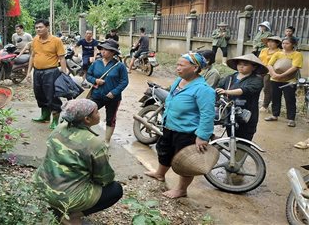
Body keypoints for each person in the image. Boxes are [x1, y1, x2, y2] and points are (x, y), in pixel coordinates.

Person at [33, 99, 123, 225]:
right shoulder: (95, 143)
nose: (99, 114)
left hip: (41, 186)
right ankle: (72, 216)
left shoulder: (58, 129)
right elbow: (104, 178)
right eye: (97, 112)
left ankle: (56, 208)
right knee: (115, 190)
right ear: (87, 119)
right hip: (64, 196)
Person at [145, 52, 215, 199]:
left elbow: (207, 115)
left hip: (187, 132)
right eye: (177, 64)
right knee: (164, 151)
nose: (177, 68)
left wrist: (202, 136)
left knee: (185, 162)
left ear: (195, 68)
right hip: (169, 126)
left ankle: (181, 190)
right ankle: (160, 174)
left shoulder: (204, 90)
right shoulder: (179, 81)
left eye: (181, 65)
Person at [25, 19, 67, 129]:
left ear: (47, 27)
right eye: (36, 27)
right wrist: (29, 72)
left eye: (40, 27)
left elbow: (62, 58)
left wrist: (64, 73)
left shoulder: (56, 41)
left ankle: (55, 120)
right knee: (39, 94)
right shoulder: (35, 40)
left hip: (51, 72)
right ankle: (45, 116)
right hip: (37, 72)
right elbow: (32, 56)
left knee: (52, 96)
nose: (38, 29)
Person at [86, 39, 128, 146]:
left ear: (113, 52)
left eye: (106, 50)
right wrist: (95, 80)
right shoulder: (96, 63)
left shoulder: (119, 66)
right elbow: (88, 75)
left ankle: (107, 141)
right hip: (96, 95)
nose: (103, 52)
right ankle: (86, 135)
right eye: (102, 49)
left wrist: (114, 92)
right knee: (88, 113)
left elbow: (124, 81)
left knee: (111, 118)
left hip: (113, 98)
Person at [215, 54, 267, 140]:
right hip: (230, 113)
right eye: (239, 64)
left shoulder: (257, 80)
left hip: (247, 115)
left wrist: (226, 91)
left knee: (244, 140)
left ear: (254, 67)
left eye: (245, 65)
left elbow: (245, 90)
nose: (241, 66)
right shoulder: (230, 77)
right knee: (231, 138)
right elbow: (218, 87)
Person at [264, 36, 303, 127]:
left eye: (287, 43)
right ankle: (274, 115)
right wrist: (273, 74)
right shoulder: (278, 54)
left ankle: (291, 119)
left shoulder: (297, 54)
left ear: (293, 44)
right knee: (275, 97)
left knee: (290, 99)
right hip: (274, 79)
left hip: (289, 80)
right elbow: (269, 65)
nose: (284, 45)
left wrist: (281, 75)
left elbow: (295, 67)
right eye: (283, 43)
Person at [258, 35, 282, 112]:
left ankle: (265, 106)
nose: (270, 43)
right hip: (260, 70)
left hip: (269, 72)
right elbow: (259, 59)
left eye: (272, 42)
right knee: (256, 86)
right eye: (269, 41)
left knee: (267, 89)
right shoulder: (264, 50)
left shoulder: (280, 52)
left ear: (277, 43)